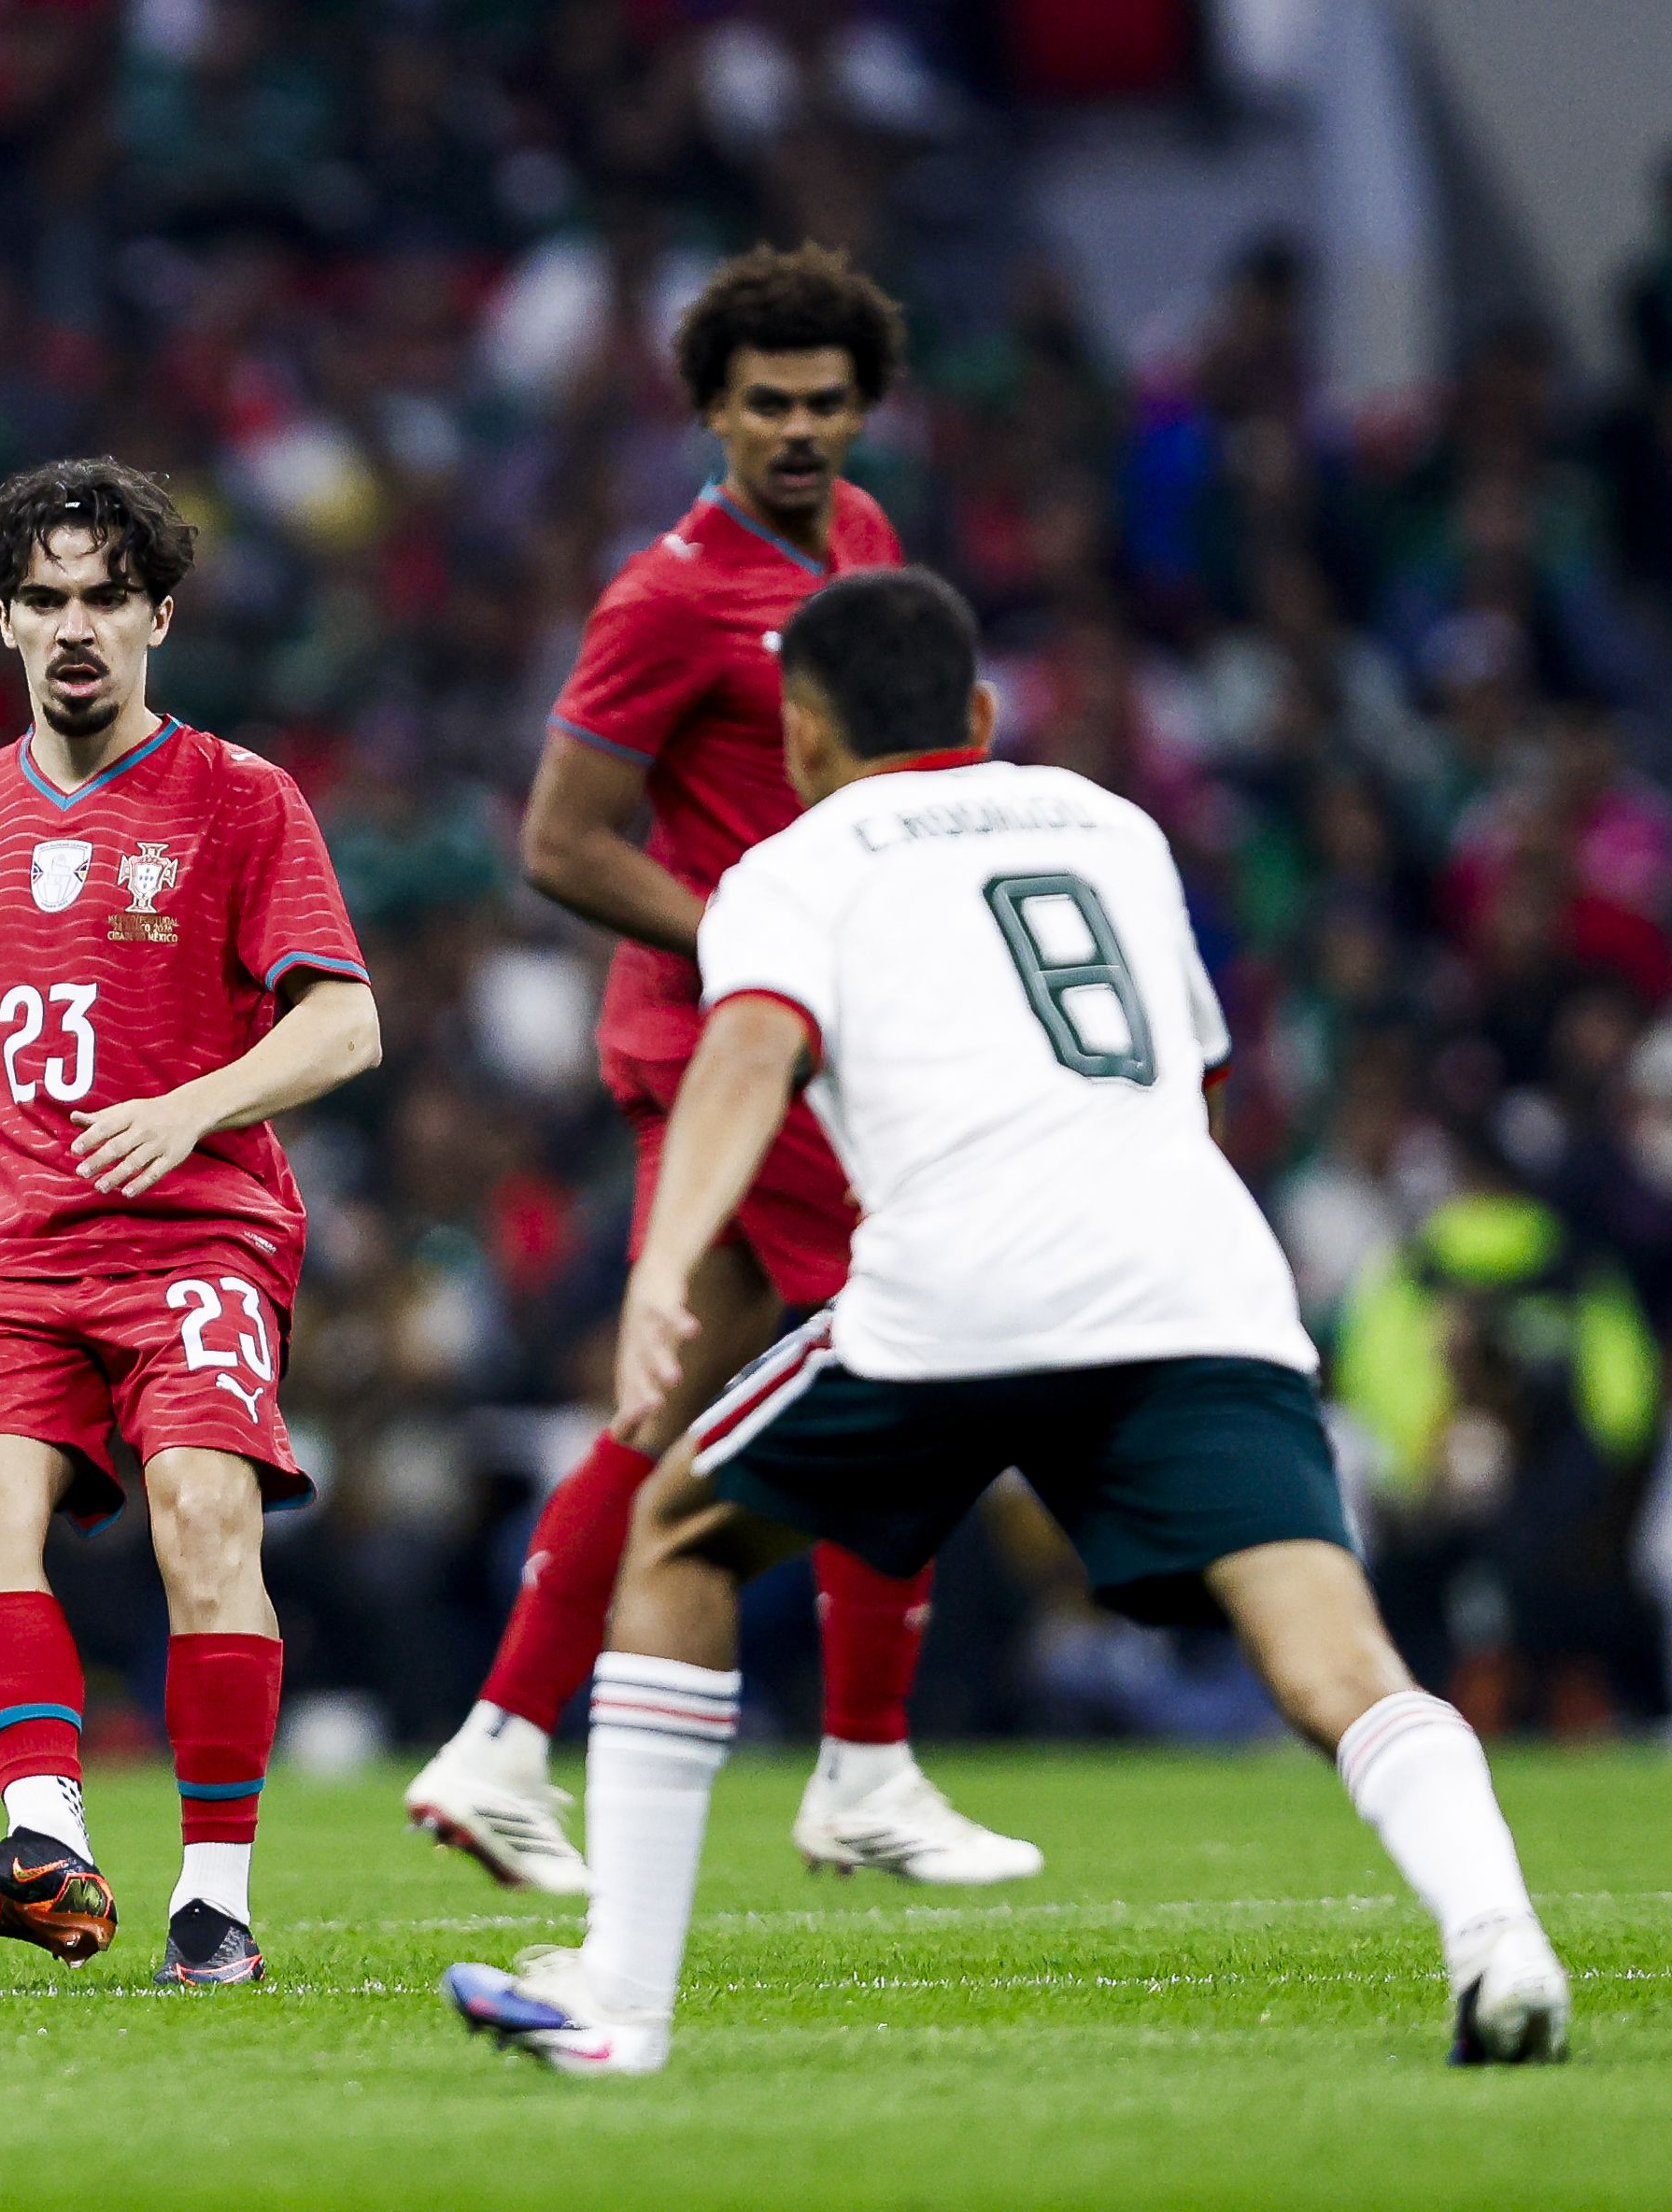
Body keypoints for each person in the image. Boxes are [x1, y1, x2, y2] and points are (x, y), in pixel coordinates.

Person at [444, 568, 1568, 2075]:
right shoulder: (1115, 825)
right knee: (1333, 1655)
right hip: (1195, 1281)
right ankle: (1499, 1939)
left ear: (803, 737)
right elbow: (1203, 1076)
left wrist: (668, 1265)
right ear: (978, 713)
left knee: (681, 1539)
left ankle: (619, 2007)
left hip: (957, 1287)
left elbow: (748, 1054)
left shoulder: (798, 857)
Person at [406, 242, 1041, 1893]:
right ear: (711, 411)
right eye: (767, 406)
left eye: (828, 404)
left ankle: (496, 1745)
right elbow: (561, 840)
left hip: (825, 1036)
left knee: (680, 1401)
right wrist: (753, 938)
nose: (800, 434)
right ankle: (866, 1768)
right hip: (725, 1040)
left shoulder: (870, 552)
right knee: (910, 1350)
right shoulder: (670, 594)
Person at [0, 459, 381, 1986]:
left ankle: (214, 1902)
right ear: (4, 619)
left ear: (159, 618)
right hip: (7, 1240)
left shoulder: (243, 798)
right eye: (48, 600)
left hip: (198, 1233)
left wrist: (193, 1106)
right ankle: (52, 1846)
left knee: (204, 1515)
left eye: (107, 599)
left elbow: (345, 1027)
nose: (78, 628)